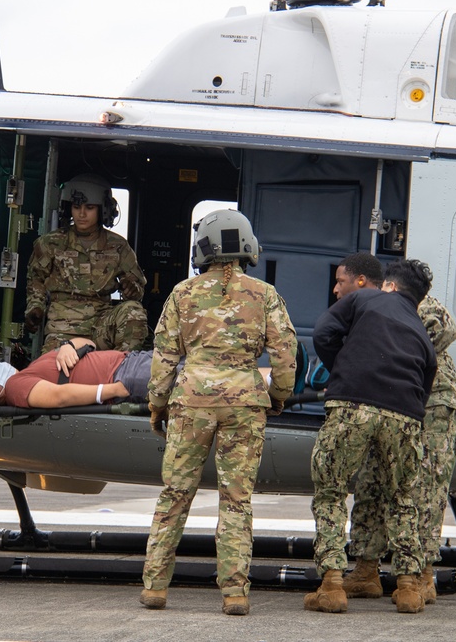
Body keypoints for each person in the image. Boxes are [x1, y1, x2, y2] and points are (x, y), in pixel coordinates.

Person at [139, 209, 297, 617]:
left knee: (175, 493)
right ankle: (234, 594)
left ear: (204, 248)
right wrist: (277, 396)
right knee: (237, 499)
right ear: (247, 247)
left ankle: (156, 587)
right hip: (245, 402)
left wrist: (158, 406)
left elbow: (164, 360)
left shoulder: (182, 293)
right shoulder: (265, 295)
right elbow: (284, 356)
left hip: (191, 401)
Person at [305, 259, 436, 615]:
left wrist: (344, 370)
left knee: (331, 490)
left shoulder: (365, 298)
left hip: (353, 404)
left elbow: (323, 332)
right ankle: (408, 587)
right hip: (405, 414)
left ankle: (332, 584)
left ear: (389, 285)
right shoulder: (421, 329)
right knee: (401, 497)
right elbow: (427, 375)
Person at [344, 292, 456, 605]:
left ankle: (421, 574)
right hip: (389, 402)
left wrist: (406, 354)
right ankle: (366, 570)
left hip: (433, 404)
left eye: (340, 282)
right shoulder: (362, 307)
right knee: (371, 482)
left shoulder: (407, 299)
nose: (335, 290)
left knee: (424, 490)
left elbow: (446, 328)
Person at [24, 173, 148, 353]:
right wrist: (35, 307)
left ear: (102, 209)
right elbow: (36, 280)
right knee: (53, 372)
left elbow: (138, 288)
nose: (81, 214)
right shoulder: (50, 243)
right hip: (62, 329)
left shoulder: (118, 246)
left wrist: (132, 289)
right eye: (76, 207)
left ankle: (120, 369)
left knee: (134, 311)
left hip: (101, 327)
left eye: (89, 207)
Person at [0, 336, 143, 409]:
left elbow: (90, 344)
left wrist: (68, 346)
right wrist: (116, 390)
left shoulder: (31, 370)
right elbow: (59, 396)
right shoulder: (15, 387)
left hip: (132, 361)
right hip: (125, 375)